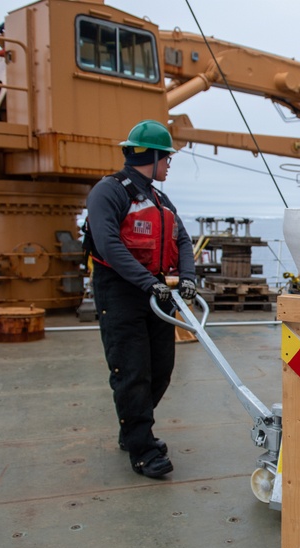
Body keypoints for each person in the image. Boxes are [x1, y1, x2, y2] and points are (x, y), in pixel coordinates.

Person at [86, 119, 198, 479]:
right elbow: (108, 245)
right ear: (149, 155)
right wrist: (147, 284)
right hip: (121, 291)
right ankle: (143, 449)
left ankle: (133, 429)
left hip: (157, 289)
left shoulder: (160, 199)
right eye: (166, 158)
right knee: (131, 371)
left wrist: (188, 278)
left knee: (161, 369)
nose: (168, 165)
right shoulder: (110, 191)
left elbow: (181, 239)